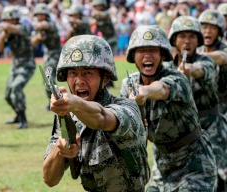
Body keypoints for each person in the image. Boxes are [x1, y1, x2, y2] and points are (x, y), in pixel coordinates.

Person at [43, 35, 150, 191]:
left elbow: (101, 118)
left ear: (105, 77)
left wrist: (75, 103)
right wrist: (61, 151)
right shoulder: (68, 116)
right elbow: (49, 179)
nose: (79, 81)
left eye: (87, 73)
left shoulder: (127, 108)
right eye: (72, 73)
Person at [120, 25, 217, 191]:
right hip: (162, 167)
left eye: (153, 50)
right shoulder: (128, 85)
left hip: (195, 166)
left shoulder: (178, 79)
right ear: (133, 55)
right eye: (141, 50)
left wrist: (146, 91)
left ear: (163, 54)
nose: (147, 55)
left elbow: (163, 89)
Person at [165, 15, 227, 191]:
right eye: (182, 36)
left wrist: (190, 70)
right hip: (183, 135)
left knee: (220, 176)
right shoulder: (166, 67)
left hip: (212, 129)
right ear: (174, 40)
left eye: (192, 36)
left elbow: (204, 68)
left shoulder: (206, 60)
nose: (187, 41)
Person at [0, 5, 36, 129]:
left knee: (16, 88)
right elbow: (0, 48)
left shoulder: (22, 27)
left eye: (11, 19)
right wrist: (3, 36)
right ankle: (18, 115)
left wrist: (4, 26)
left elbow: (14, 29)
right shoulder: (8, 32)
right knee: (7, 95)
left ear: (16, 19)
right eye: (7, 19)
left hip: (27, 65)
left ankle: (23, 119)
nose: (8, 22)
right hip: (15, 65)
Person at [31, 3, 62, 111]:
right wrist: (37, 37)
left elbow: (45, 25)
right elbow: (32, 43)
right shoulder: (39, 28)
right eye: (38, 15)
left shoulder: (50, 24)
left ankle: (57, 100)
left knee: (48, 79)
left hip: (56, 54)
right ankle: (55, 100)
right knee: (47, 80)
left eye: (42, 15)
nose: (39, 17)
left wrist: (38, 26)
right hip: (48, 55)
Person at [198, 10, 227, 119]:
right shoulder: (198, 49)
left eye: (212, 28)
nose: (208, 31)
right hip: (202, 108)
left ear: (219, 32)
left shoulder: (223, 49)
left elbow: (222, 57)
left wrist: (200, 57)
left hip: (223, 106)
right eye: (204, 27)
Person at [90, 0, 117, 88]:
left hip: (112, 39)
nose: (97, 7)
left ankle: (109, 81)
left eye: (99, 5)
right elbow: (91, 23)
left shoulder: (106, 13)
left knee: (108, 59)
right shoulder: (97, 16)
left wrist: (95, 13)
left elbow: (103, 15)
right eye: (96, 6)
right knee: (104, 59)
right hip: (105, 39)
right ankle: (109, 81)